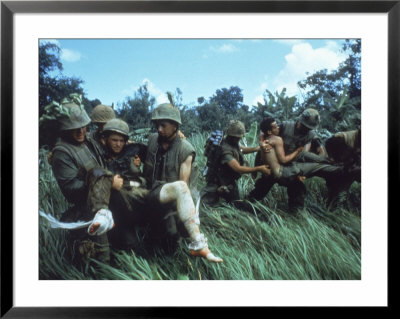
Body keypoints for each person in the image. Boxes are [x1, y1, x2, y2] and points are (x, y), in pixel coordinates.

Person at [143, 103, 223, 263]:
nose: (159, 129)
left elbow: (183, 186)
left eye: (163, 125)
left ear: (175, 126)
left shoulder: (186, 150)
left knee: (171, 243)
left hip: (169, 200)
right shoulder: (152, 140)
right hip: (147, 195)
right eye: (157, 125)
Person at [47, 94, 121, 265]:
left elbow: (108, 137)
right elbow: (70, 190)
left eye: (83, 126)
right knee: (102, 256)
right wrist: (106, 184)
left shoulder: (88, 141)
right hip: (87, 208)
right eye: (75, 128)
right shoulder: (62, 153)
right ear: (64, 129)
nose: (81, 131)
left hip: (107, 201)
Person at [249, 108, 345, 212]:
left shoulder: (311, 135)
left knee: (298, 190)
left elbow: (315, 152)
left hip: (291, 167)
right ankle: (246, 205)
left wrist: (306, 170)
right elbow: (265, 133)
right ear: (300, 121)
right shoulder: (285, 126)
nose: (306, 129)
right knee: (260, 190)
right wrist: (260, 147)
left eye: (309, 128)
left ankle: (295, 216)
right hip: (274, 166)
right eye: (305, 126)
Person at [100, 118, 149, 249]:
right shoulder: (100, 155)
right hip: (118, 205)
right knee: (131, 244)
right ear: (105, 139)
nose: (118, 144)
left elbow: (155, 150)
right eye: (114, 140)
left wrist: (178, 135)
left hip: (138, 195)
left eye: (121, 141)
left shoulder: (132, 150)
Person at [201, 120, 271, 205]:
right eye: (238, 137)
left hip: (229, 180)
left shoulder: (233, 143)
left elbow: (241, 149)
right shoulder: (225, 150)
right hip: (218, 181)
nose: (240, 138)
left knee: (235, 203)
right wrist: (259, 168)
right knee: (207, 204)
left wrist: (257, 148)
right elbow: (238, 168)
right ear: (232, 136)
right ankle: (217, 193)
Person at [258, 116, 304, 182]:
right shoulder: (277, 139)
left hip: (269, 172)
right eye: (276, 127)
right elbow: (283, 160)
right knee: (303, 168)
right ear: (269, 132)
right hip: (278, 173)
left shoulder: (266, 138)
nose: (278, 127)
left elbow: (263, 132)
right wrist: (298, 151)